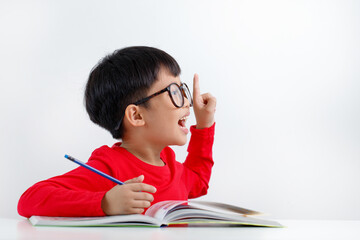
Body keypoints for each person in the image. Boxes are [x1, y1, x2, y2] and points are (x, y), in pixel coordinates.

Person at [17, 46, 216, 217]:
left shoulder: (171, 164)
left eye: (183, 91)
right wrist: (105, 202)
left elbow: (198, 181)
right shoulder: (109, 166)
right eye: (174, 92)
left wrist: (204, 125)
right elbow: (30, 199)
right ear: (136, 116)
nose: (187, 103)